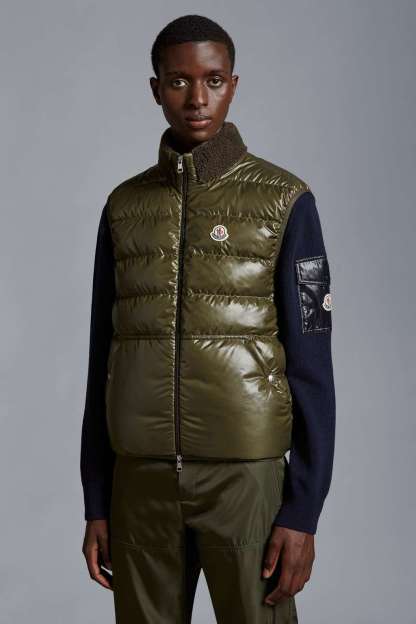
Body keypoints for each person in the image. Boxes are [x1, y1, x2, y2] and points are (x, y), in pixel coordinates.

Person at [80, 14, 336, 624]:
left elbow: (312, 366)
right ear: (156, 89)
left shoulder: (285, 201)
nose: (197, 98)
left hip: (245, 483)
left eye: (213, 80)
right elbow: (103, 358)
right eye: (179, 81)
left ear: (233, 85)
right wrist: (97, 499)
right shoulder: (124, 207)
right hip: (140, 484)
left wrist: (303, 510)